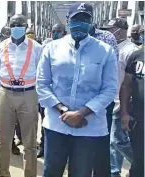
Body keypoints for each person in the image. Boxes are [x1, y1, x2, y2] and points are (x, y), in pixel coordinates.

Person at [37, 3, 118, 177]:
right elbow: (42, 84)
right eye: (76, 19)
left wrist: (81, 113)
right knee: (51, 171)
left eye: (85, 19)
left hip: (89, 127)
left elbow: (110, 89)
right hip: (56, 124)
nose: (80, 23)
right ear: (67, 21)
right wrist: (64, 110)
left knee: (81, 173)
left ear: (91, 22)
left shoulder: (105, 52)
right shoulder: (52, 49)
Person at [0, 14, 43, 177]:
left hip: (28, 94)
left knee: (29, 141)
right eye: (13, 24)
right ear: (9, 26)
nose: (17, 27)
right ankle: (4, 173)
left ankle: (30, 174)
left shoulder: (36, 48)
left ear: (26, 26)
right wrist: (5, 88)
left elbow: (41, 73)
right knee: (3, 139)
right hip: (6, 94)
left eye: (20, 24)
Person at [102, 18, 138, 177]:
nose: (108, 33)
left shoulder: (130, 50)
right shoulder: (111, 47)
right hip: (112, 99)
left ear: (120, 30)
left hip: (124, 101)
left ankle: (140, 164)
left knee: (118, 140)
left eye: (111, 29)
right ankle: (114, 171)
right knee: (112, 141)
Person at [89, 13, 119, 177]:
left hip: (103, 98)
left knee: (102, 140)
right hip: (80, 99)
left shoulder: (106, 37)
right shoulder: (70, 38)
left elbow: (112, 69)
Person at [36, 23, 67, 159]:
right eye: (53, 31)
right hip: (47, 95)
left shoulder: (68, 48)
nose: (55, 34)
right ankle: (44, 147)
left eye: (58, 31)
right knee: (45, 122)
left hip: (62, 96)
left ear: (64, 32)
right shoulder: (45, 48)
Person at [120, 46, 144, 177]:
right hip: (139, 120)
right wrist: (124, 113)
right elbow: (126, 85)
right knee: (139, 161)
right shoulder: (136, 56)